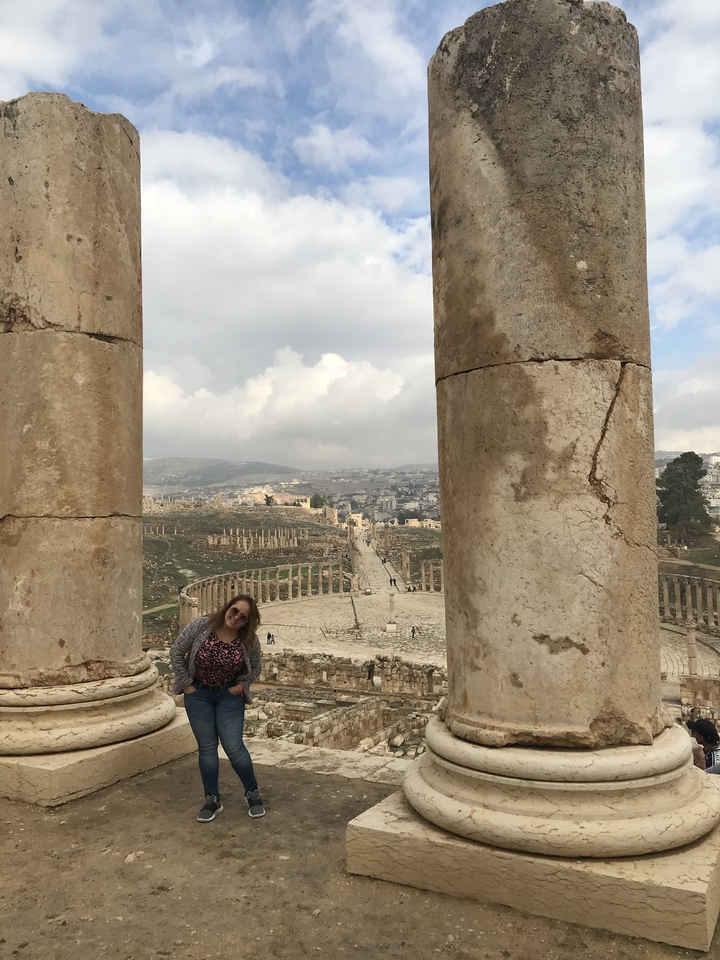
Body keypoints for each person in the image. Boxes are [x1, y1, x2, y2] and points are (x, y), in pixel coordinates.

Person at [170, 594, 265, 822]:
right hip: (198, 695)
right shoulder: (202, 626)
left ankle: (252, 792)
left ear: (247, 622)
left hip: (228, 696)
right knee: (207, 748)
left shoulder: (249, 640)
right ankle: (212, 799)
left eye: (243, 617)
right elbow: (176, 652)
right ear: (227, 607)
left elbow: (255, 668)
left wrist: (239, 688)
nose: (236, 617)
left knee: (234, 746)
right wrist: (187, 685)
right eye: (235, 610)